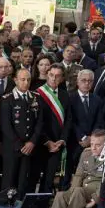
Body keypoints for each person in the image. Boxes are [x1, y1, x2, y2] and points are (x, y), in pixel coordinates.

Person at [48, 130, 105, 208]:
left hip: (96, 192)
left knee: (79, 191)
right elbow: (79, 175)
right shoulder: (86, 154)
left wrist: (95, 199)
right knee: (61, 195)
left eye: (98, 145)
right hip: (80, 192)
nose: (93, 148)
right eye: (92, 144)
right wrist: (71, 192)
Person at [0, 68, 41, 195]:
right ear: (15, 80)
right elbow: (6, 125)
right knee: (9, 181)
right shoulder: (7, 99)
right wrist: (19, 144)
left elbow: (40, 123)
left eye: (28, 80)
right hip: (13, 147)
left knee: (24, 181)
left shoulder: (36, 97)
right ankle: (7, 205)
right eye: (22, 79)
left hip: (30, 147)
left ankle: (21, 205)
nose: (26, 82)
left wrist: (32, 142)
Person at [34, 64, 71, 192]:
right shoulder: (37, 94)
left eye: (57, 76)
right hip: (41, 142)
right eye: (51, 75)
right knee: (34, 178)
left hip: (57, 144)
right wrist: (46, 141)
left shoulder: (65, 95)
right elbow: (36, 122)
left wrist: (62, 139)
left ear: (62, 78)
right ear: (47, 75)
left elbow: (68, 120)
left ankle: (45, 202)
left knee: (49, 179)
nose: (54, 78)